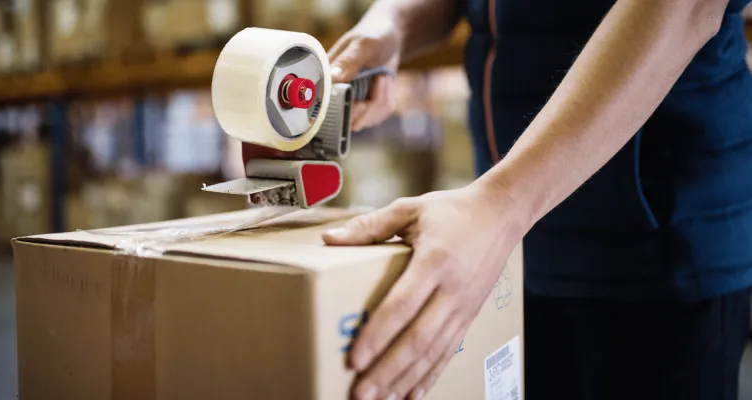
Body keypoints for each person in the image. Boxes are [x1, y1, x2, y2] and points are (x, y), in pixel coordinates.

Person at [320, 0, 752, 399]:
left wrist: (502, 204)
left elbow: (684, 8)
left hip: (658, 251)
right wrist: (391, 23)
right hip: (519, 248)